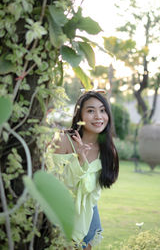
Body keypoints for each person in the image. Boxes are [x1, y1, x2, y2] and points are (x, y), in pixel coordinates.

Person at [48, 90, 119, 249]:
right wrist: (80, 160)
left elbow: (93, 192)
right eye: (91, 111)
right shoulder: (63, 140)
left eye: (102, 110)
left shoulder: (108, 150)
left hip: (88, 211)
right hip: (60, 210)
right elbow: (54, 185)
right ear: (79, 116)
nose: (98, 116)